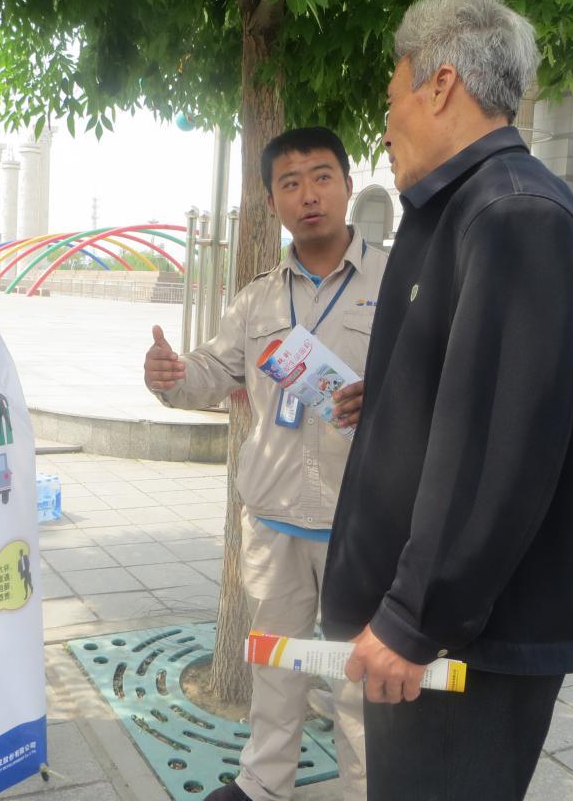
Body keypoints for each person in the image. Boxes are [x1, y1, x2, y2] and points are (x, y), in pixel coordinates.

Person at [319, 0, 573, 800]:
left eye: (389, 98)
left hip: (466, 633)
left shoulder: (513, 215)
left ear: (440, 84)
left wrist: (413, 617)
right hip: (446, 617)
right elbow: (469, 396)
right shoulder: (463, 209)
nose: (383, 125)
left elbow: (496, 449)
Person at [145, 127, 387, 801]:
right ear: (272, 200)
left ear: (346, 184)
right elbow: (211, 371)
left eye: (321, 177)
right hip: (274, 518)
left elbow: (433, 387)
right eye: (289, 182)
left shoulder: (396, 283)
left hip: (359, 523)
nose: (307, 195)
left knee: (355, 680)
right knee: (275, 666)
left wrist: (388, 398)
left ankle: (366, 791)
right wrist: (170, 375)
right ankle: (263, 784)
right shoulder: (256, 297)